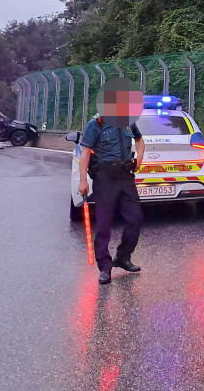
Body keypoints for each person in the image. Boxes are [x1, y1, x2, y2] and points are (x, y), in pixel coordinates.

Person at [78, 114, 145, 285]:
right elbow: (85, 152)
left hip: (126, 176)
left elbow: (139, 140)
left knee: (135, 218)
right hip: (105, 178)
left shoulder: (128, 122)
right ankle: (105, 268)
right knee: (103, 225)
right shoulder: (96, 124)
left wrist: (139, 159)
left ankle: (123, 257)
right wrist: (83, 180)